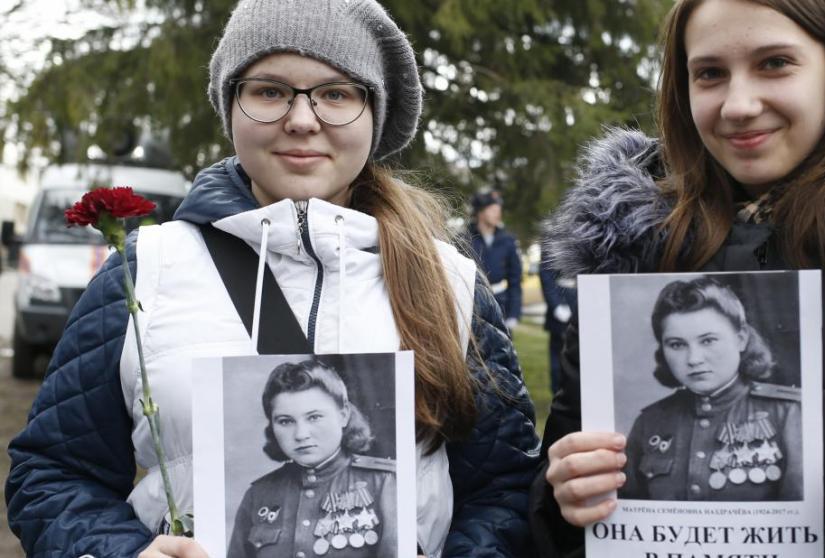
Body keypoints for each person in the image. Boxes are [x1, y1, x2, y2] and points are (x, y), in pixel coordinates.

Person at [5, 1, 540, 557]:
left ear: (373, 114)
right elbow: (54, 473)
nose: (302, 119)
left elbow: (502, 490)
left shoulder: (449, 281)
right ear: (230, 104)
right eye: (270, 91)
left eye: (336, 93)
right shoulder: (148, 269)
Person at [530, 0, 825, 556]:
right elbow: (554, 523)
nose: (739, 105)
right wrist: (560, 502)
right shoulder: (626, 257)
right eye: (710, 74)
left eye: (775, 63)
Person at [620, 277, 801, 502]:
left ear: (741, 339)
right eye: (677, 344)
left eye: (708, 341)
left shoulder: (788, 413)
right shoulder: (650, 422)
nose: (694, 359)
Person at [228, 359, 397, 558]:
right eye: (285, 421)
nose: (301, 434)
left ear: (343, 415)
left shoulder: (384, 482)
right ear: (272, 426)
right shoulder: (258, 495)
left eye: (314, 417)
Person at [467, 190, 523, 331]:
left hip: (501, 304)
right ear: (480, 212)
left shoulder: (508, 240)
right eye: (492, 209)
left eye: (499, 210)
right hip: (472, 305)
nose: (497, 213)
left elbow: (515, 280)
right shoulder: (465, 239)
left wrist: (514, 314)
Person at [537, 254, 576, 395]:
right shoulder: (554, 234)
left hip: (585, 297)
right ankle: (558, 394)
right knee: (559, 357)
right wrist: (556, 305)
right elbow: (546, 274)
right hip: (562, 300)